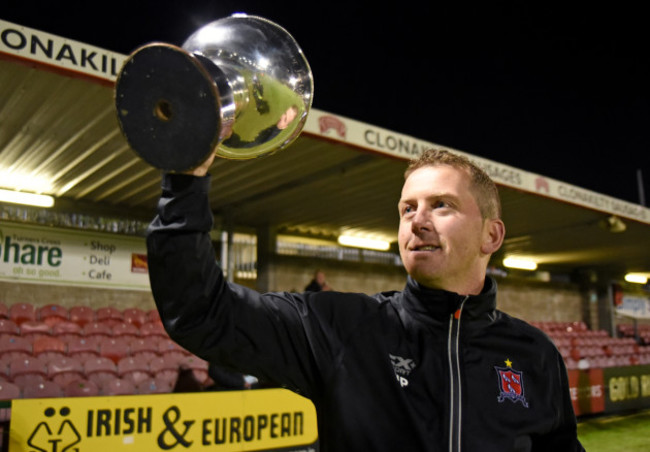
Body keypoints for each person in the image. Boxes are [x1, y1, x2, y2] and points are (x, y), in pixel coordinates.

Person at [146, 148, 584, 451]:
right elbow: (201, 311)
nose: (418, 222)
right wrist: (186, 180)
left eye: (442, 206)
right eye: (407, 209)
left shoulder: (534, 355)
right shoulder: (340, 326)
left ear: (492, 234)